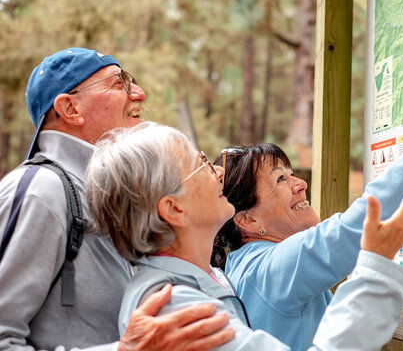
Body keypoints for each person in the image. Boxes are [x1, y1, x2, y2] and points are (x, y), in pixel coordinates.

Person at [212, 39, 403, 349]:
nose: (299, 183)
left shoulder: (244, 266)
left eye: (291, 173)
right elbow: (357, 225)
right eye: (279, 180)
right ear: (247, 219)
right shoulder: (269, 270)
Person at [85, 121, 403, 350]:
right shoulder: (181, 312)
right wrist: (376, 270)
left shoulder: (204, 283)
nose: (219, 172)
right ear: (173, 209)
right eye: (202, 165)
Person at [0, 48, 234, 351]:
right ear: (70, 109)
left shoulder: (112, 192)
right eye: (119, 83)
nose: (139, 93)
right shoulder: (40, 191)